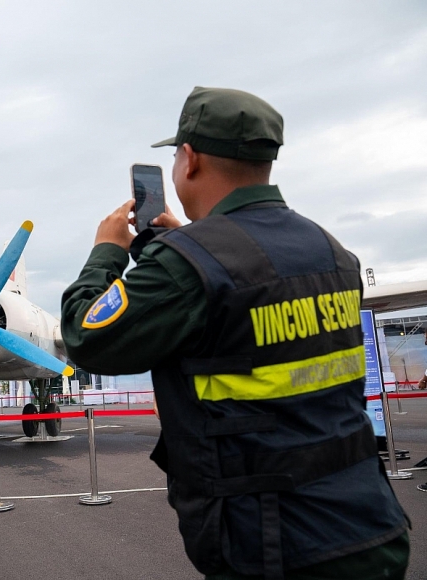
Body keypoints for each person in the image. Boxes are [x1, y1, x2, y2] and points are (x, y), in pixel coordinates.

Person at [61, 87, 409, 579]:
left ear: (189, 158)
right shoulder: (332, 250)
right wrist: (182, 247)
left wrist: (107, 252)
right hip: (369, 523)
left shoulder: (187, 263)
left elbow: (86, 338)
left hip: (274, 543)